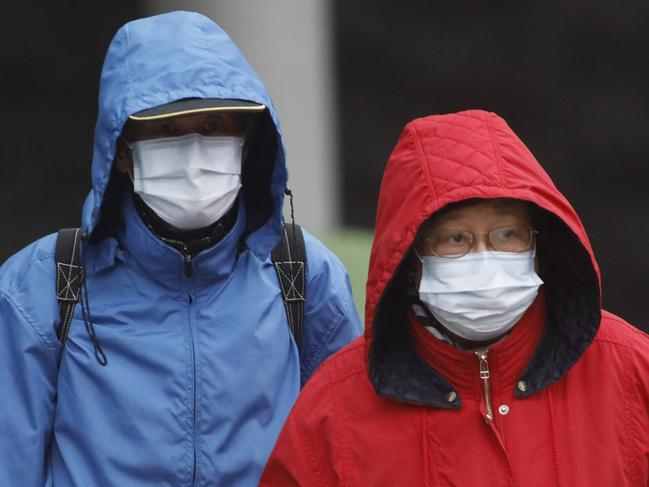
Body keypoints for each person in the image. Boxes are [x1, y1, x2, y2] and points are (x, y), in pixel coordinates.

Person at [0, 11, 361, 486]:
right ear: (122, 150)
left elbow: (351, 455)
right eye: (167, 130)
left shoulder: (305, 275)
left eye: (213, 127)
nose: (194, 152)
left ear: (247, 143)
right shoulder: (43, 284)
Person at [260, 110, 649, 486]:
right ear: (408, 259)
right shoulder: (335, 409)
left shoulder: (630, 369)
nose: (484, 256)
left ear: (538, 242)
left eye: (507, 234)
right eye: (455, 239)